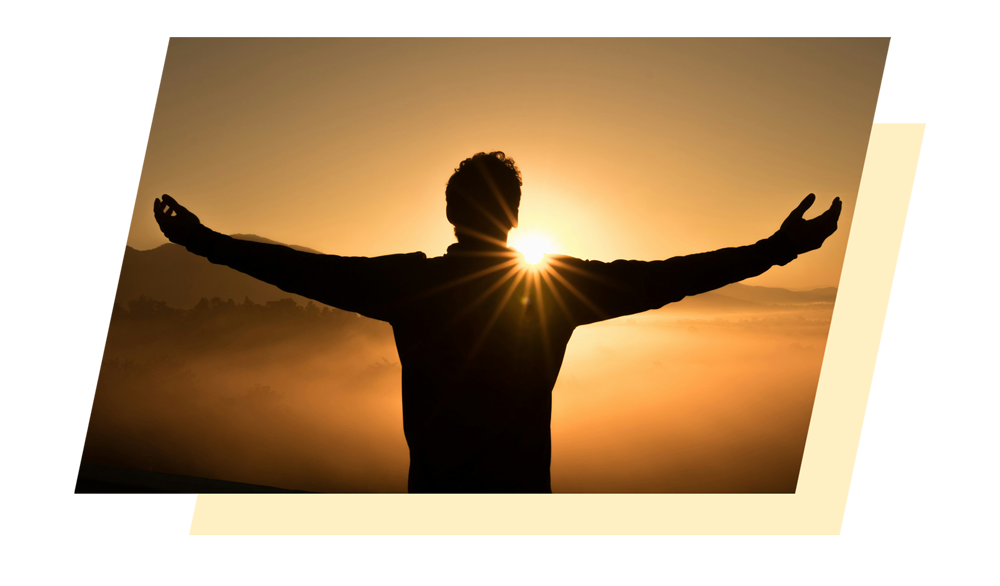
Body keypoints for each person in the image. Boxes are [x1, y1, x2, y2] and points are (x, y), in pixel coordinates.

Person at [154, 151, 841, 493]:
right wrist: (778, 250)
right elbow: (669, 276)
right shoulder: (556, 290)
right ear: (514, 218)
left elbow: (305, 271)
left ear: (452, 213)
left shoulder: (411, 284)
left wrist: (204, 241)